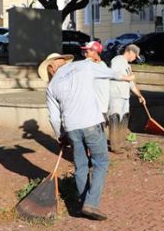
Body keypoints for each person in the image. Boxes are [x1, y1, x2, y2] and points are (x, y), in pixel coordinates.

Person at [39, 52, 133, 221]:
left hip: (72, 128)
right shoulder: (84, 66)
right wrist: (125, 77)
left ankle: (83, 203)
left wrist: (61, 136)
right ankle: (91, 204)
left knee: (81, 166)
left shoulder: (52, 87)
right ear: (62, 61)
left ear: (52, 66)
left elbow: (53, 117)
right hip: (91, 123)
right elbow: (109, 73)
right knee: (101, 162)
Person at [108, 44, 145, 153]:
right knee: (115, 117)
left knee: (124, 117)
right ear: (130, 52)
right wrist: (129, 78)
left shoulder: (127, 65)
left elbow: (131, 83)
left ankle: (121, 142)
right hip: (116, 95)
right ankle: (115, 145)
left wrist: (139, 95)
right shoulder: (117, 60)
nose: (135, 59)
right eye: (135, 56)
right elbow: (112, 74)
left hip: (125, 96)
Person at [81, 41, 110, 122]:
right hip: (99, 110)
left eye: (87, 52)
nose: (85, 54)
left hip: (97, 111)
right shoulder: (102, 65)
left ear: (94, 53)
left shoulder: (95, 67)